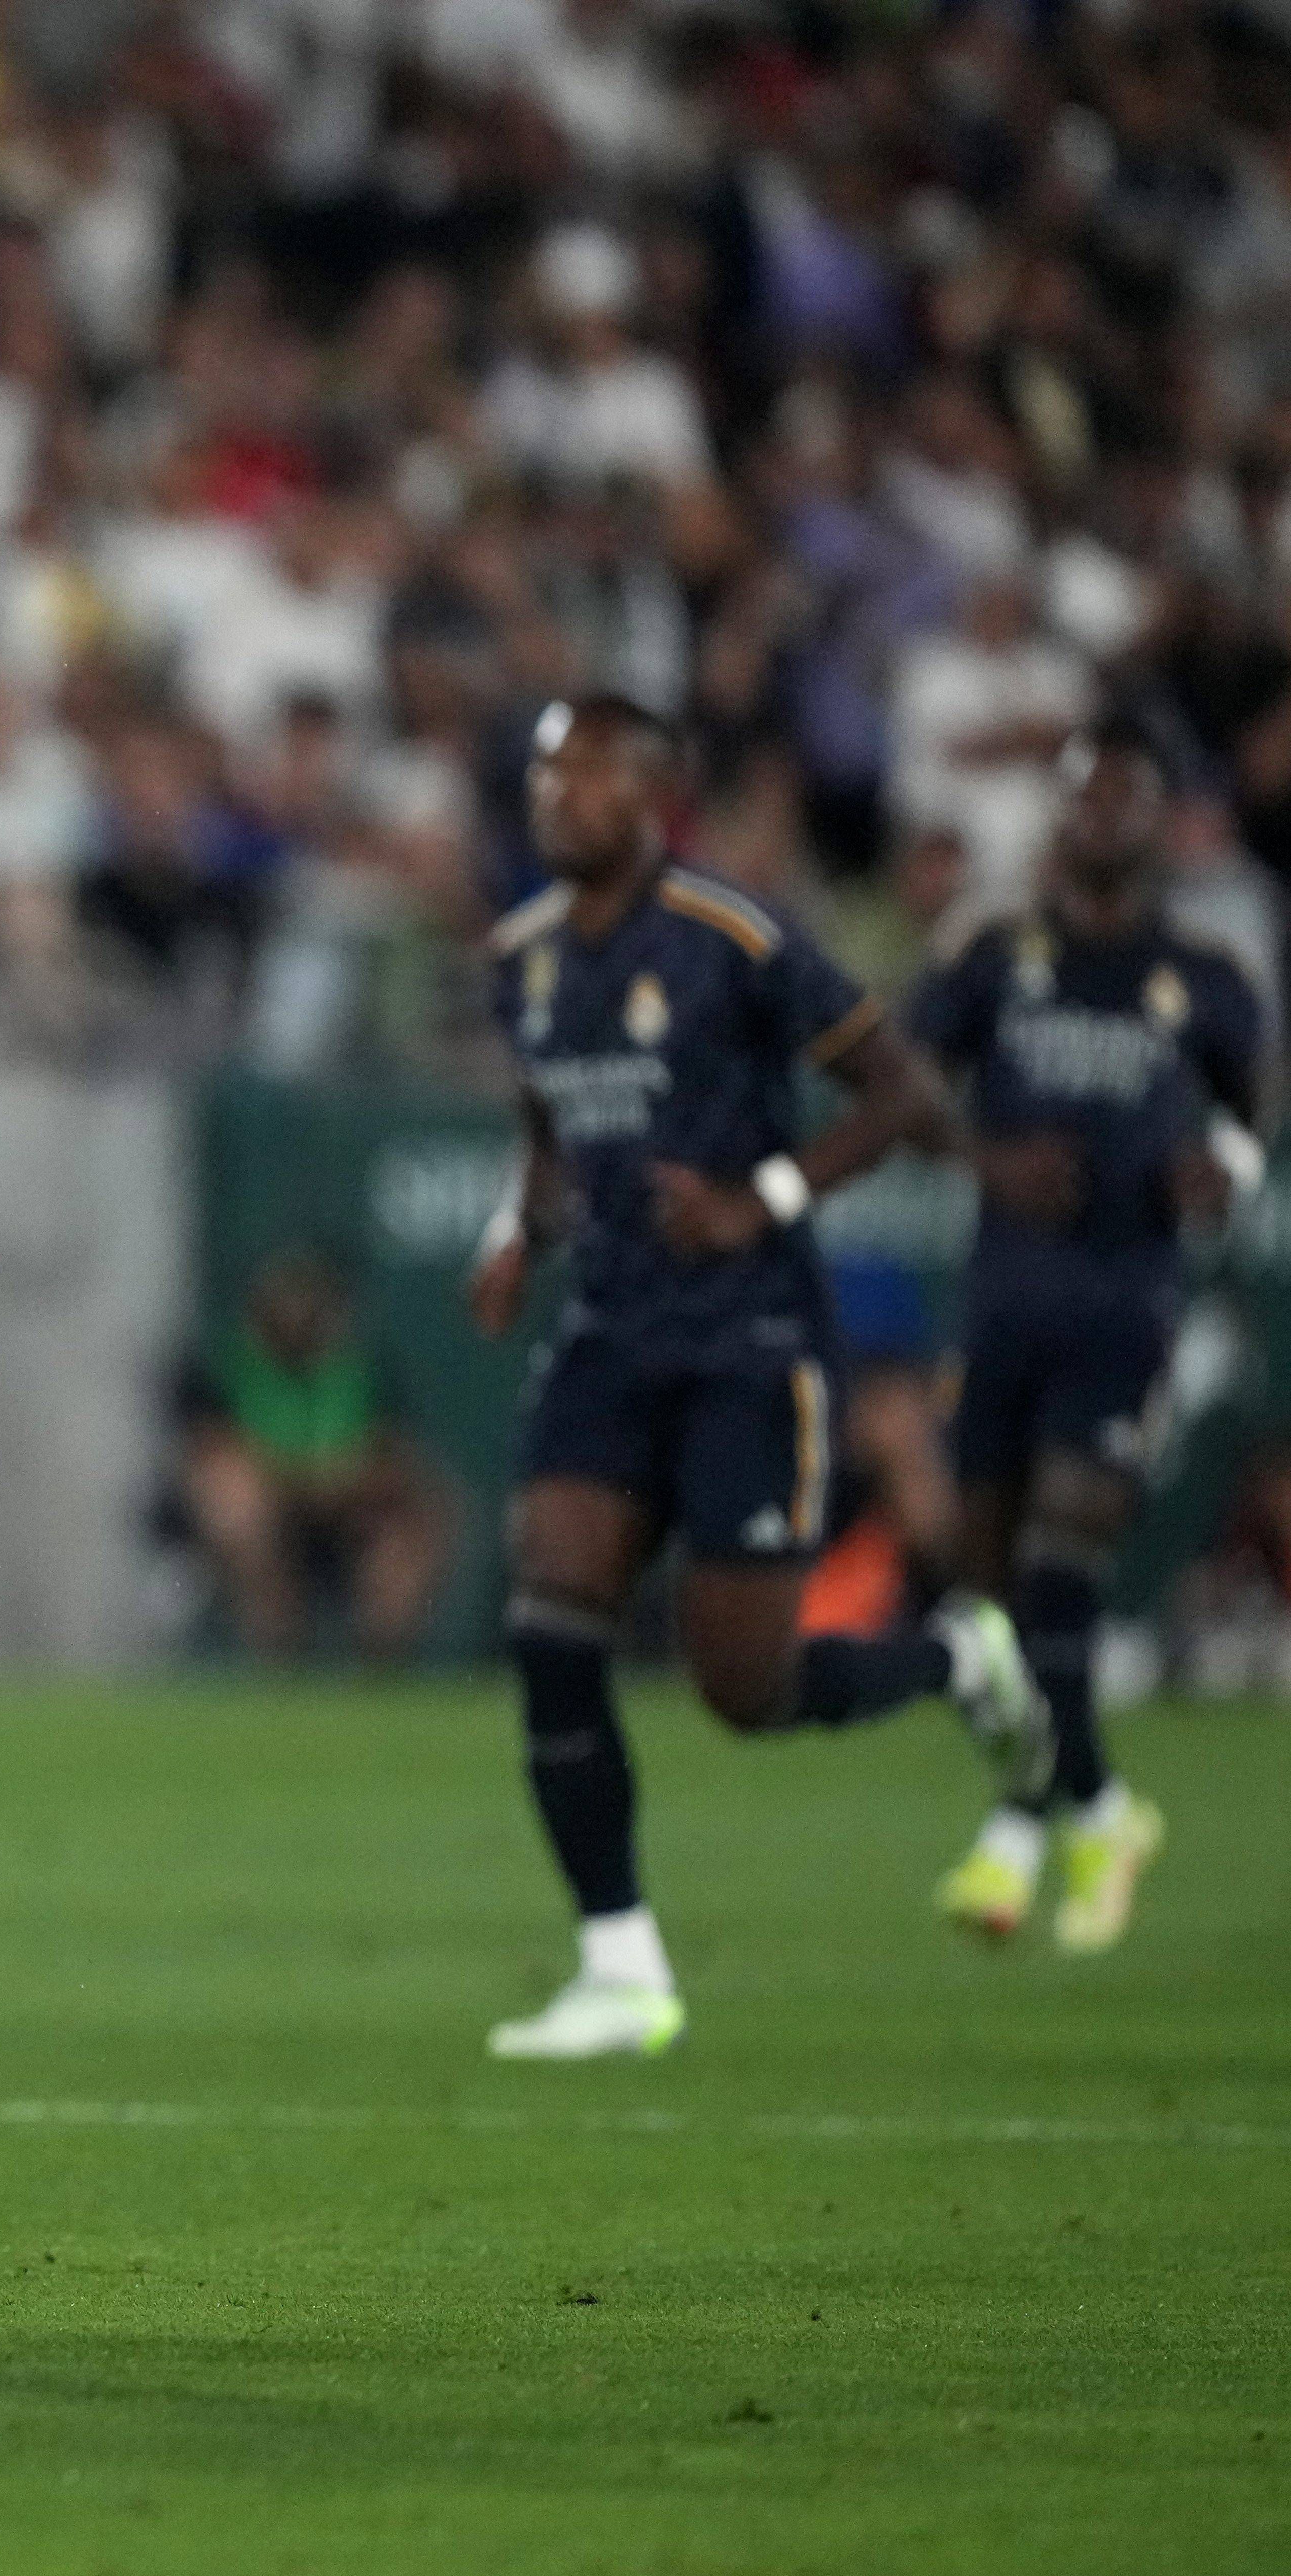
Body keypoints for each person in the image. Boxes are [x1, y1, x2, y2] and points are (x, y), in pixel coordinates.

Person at [465, 697, 1034, 2059]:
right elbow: (549, 1127)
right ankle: (620, 1964)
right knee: (551, 1617)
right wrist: (513, 1228)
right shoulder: (522, 954)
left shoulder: (735, 936)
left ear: (657, 794)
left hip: (749, 1341)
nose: (560, 792)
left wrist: (760, 1195)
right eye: (546, 769)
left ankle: (962, 1654)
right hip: (608, 1331)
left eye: (591, 770)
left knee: (746, 1687)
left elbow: (902, 1094)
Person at [910, 723, 1275, 1952]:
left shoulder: (1205, 971)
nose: (1105, 816)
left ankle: (1017, 1840)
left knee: (1062, 1573)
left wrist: (1220, 1168)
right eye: (1088, 796)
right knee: (983, 1604)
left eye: (1129, 797)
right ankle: (1100, 1810)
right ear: (1061, 818)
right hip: (1005, 1301)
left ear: (1162, 822)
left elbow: (1250, 1113)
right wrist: (984, 1156)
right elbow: (902, 1087)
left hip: (1124, 1309)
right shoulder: (991, 952)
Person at [175, 1248, 451, 1665]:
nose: (297, 1309)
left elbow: (395, 1461)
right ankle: (279, 1660)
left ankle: (380, 1666)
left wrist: (343, 1482)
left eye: (310, 1296)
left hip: (348, 1514)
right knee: (236, 1503)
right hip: (269, 1515)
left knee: (423, 1516)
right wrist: (306, 1481)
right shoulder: (226, 1365)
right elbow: (208, 1456)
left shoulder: (363, 1367)